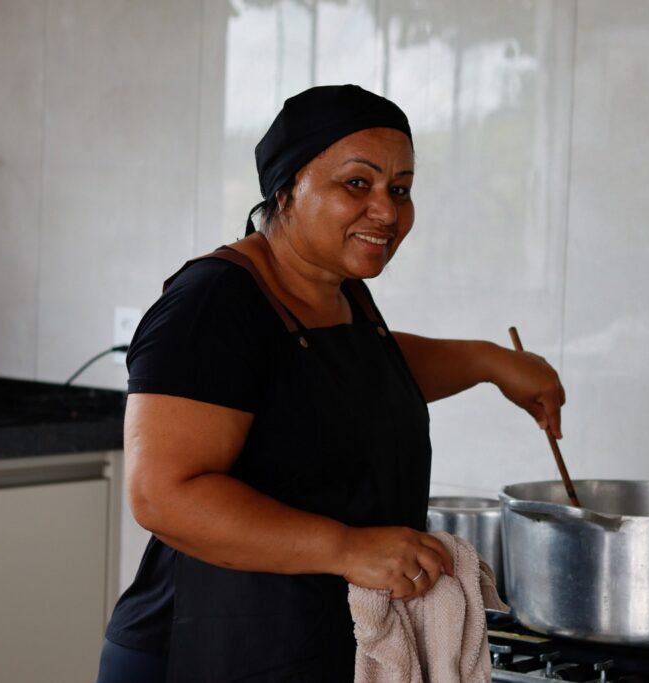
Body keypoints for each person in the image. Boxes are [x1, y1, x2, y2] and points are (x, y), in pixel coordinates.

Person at [97, 84, 565, 682]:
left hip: (306, 647)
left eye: (400, 189)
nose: (387, 211)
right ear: (286, 189)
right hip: (202, 651)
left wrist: (489, 362)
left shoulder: (340, 292)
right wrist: (350, 548)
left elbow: (346, 377)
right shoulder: (213, 304)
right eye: (357, 184)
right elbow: (162, 496)